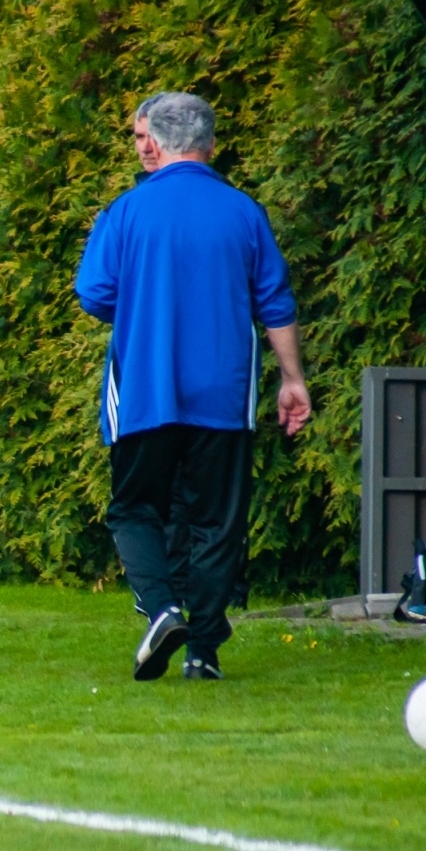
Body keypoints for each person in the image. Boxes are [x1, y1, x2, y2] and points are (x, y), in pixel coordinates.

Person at [75, 92, 310, 682]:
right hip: (223, 396)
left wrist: (149, 305)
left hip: (146, 391)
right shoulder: (244, 212)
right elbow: (275, 303)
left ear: (153, 141)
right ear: (209, 143)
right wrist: (292, 379)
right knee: (216, 523)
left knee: (134, 510)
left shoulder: (125, 211)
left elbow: (94, 295)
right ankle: (203, 651)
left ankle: (161, 611)